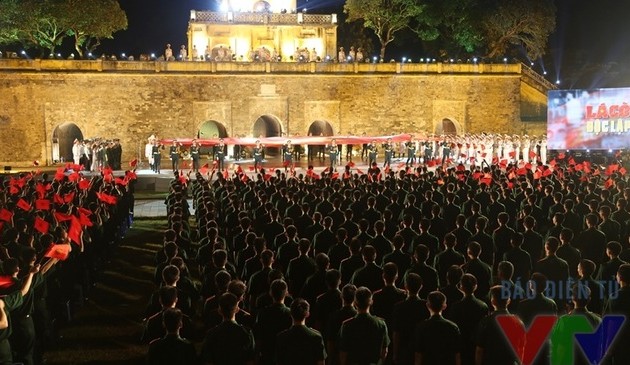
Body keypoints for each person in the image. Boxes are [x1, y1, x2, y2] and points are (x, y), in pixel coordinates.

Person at [339, 287, 390, 365]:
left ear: (355, 303)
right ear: (371, 302)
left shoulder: (347, 325)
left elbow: (343, 353)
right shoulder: (381, 324)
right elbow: (384, 351)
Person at [201, 293, 255, 365]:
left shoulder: (211, 334)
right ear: (237, 309)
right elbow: (250, 361)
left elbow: (208, 362)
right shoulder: (246, 333)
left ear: (219, 311)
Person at [475, 286, 524, 365]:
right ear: (508, 301)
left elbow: (479, 350)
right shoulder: (518, 322)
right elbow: (521, 349)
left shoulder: (486, 322)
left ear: (492, 301)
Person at [414, 291, 461, 365]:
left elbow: (418, 354)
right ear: (444, 306)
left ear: (428, 305)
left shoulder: (421, 326)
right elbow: (457, 353)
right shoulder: (453, 327)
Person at [276, 298, 326, 365]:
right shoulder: (316, 337)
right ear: (307, 314)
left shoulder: (281, 337)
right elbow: (321, 363)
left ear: (290, 313)